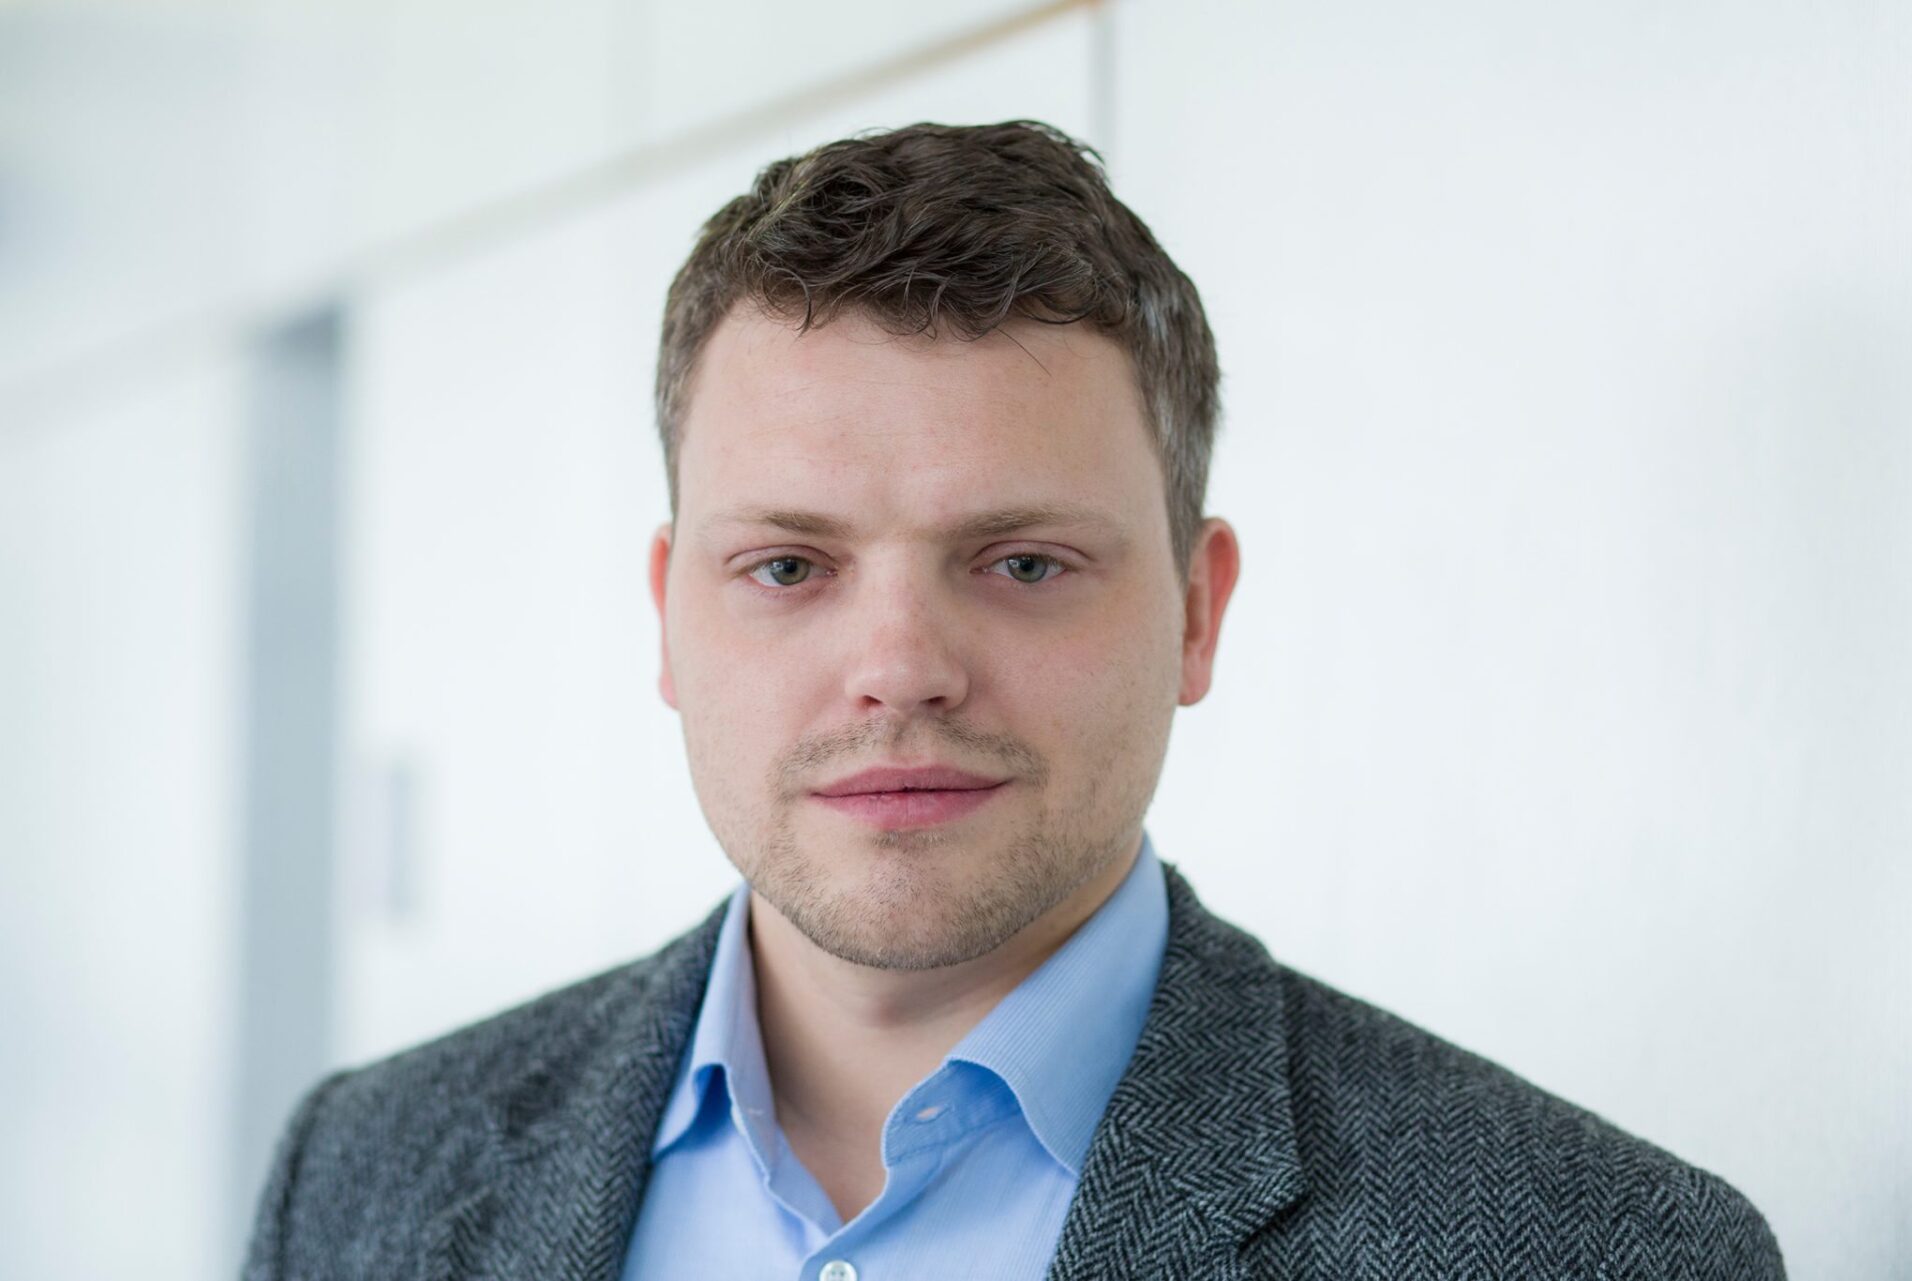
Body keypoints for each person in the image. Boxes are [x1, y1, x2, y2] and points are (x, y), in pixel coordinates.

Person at [242, 120, 1784, 1280]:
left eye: (1024, 562)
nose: (901, 663)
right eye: (788, 566)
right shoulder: (360, 1177)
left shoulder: (1597, 1250)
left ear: (1197, 611)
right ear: (667, 615)